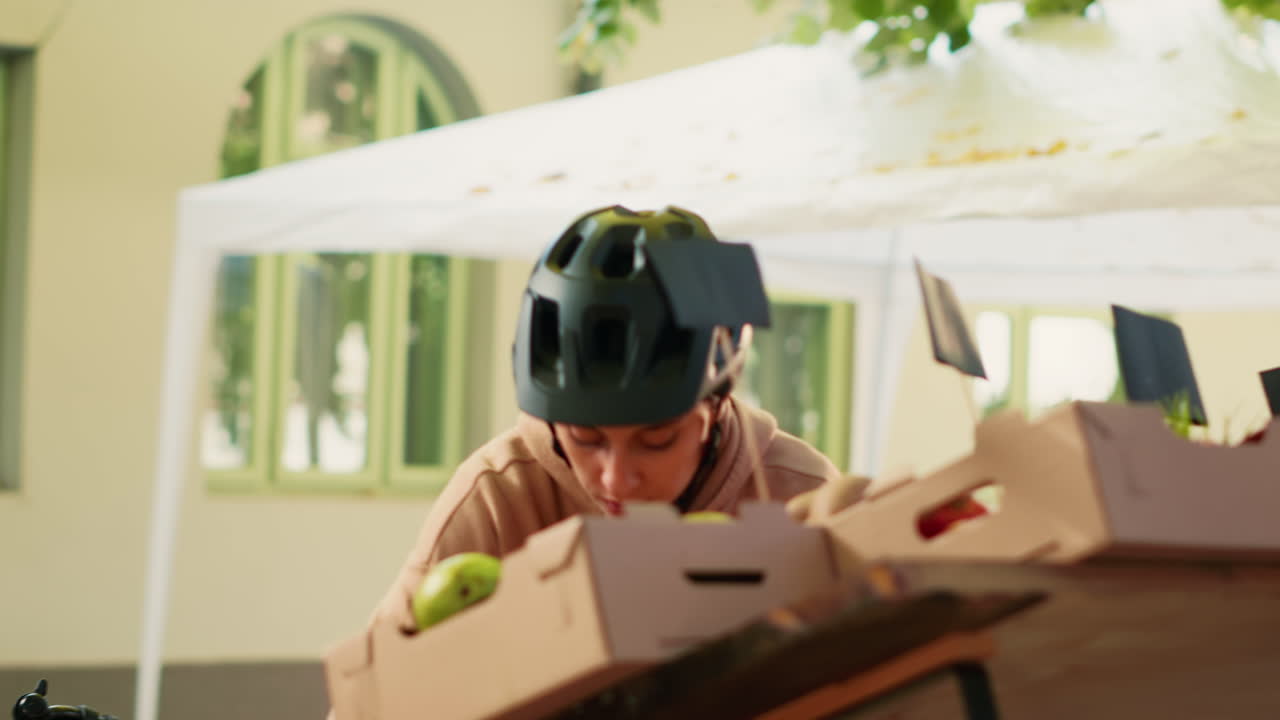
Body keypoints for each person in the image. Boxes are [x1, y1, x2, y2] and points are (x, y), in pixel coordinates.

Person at [373, 205, 864, 632]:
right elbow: (375, 689)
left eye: (656, 440)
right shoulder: (499, 499)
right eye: (586, 438)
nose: (615, 479)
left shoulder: (798, 495)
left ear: (715, 409)